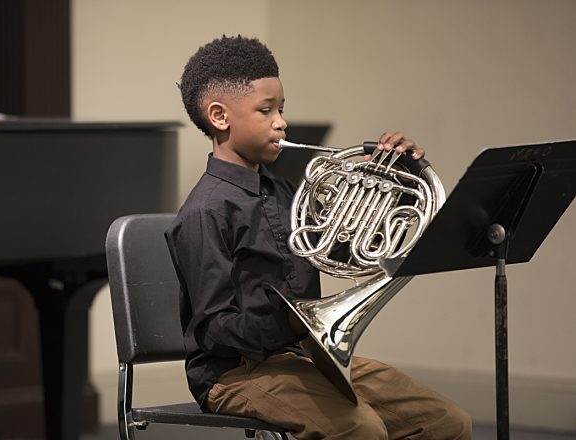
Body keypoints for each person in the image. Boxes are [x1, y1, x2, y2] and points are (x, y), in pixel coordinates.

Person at [165, 35, 471, 440]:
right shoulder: (205, 212)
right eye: (266, 110)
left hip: (302, 358)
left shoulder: (290, 191)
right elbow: (214, 330)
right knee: (360, 430)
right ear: (220, 117)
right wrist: (292, 325)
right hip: (234, 374)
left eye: (282, 109)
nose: (281, 122)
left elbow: (358, 248)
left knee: (447, 421)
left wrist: (396, 173)